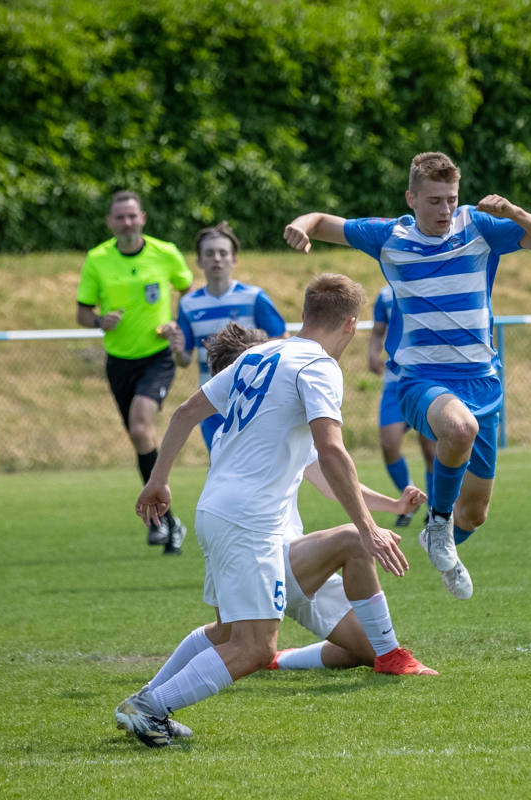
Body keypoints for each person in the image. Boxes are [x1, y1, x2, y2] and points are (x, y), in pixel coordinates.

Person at [115, 275, 435, 748]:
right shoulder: (319, 367)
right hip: (252, 521)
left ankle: (142, 702)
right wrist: (368, 527)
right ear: (351, 324)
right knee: (254, 647)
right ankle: (150, 708)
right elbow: (332, 451)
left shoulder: (258, 355)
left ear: (304, 314)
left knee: (229, 631)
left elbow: (183, 412)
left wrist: (158, 479)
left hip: (215, 510)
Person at [282, 152, 531, 601]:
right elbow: (321, 222)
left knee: (474, 514)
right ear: (411, 199)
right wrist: (301, 224)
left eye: (451, 199)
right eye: (434, 200)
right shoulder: (388, 235)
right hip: (420, 379)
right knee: (459, 428)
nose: (445, 210)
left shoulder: (478, 226)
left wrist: (514, 212)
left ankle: (441, 535)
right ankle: (438, 523)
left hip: (482, 380)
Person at [186, 324, 431, 675]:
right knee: (354, 539)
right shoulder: (246, 435)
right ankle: (393, 657)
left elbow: (332, 483)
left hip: (297, 560)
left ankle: (277, 660)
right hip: (270, 560)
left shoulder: (271, 424)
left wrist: (394, 505)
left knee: (363, 649)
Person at [76, 190, 194, 554]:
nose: (127, 222)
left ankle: (159, 519)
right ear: (110, 222)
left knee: (142, 427)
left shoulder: (165, 253)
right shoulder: (97, 259)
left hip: (157, 357)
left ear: (142, 218)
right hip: (118, 361)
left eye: (132, 216)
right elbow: (82, 312)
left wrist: (178, 325)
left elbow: (190, 295)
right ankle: (170, 522)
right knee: (139, 437)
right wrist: (99, 321)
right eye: (120, 217)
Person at [160, 222, 288, 450]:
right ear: (199, 261)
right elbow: (184, 359)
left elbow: (283, 341)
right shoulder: (189, 304)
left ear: (234, 260)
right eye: (209, 253)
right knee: (219, 461)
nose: (217, 259)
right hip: (211, 399)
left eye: (223, 253)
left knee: (253, 460)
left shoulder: (253, 297)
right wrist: (177, 350)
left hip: (252, 397)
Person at [369, 284, 437, 528]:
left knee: (430, 450)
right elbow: (378, 331)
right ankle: (410, 498)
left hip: (427, 381)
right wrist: (372, 353)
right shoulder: (386, 294)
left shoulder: (431, 286)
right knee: (389, 445)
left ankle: (435, 508)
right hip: (395, 384)